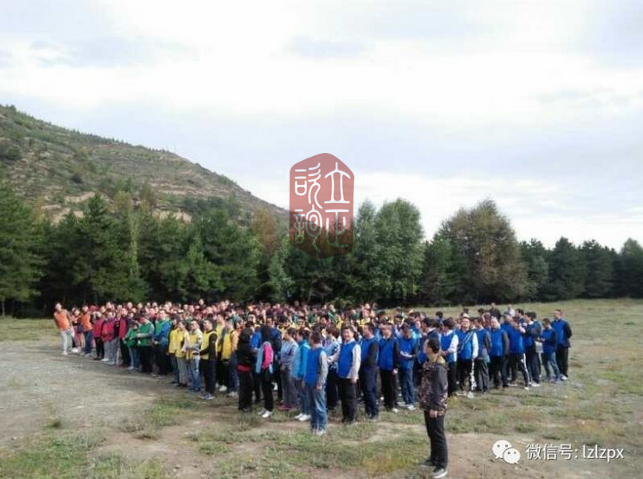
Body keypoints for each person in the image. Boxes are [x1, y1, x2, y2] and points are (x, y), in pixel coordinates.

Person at [419, 337, 449, 479]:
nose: (423, 347)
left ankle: (442, 465)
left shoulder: (439, 366)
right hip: (428, 403)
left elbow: (440, 388)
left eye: (425, 345)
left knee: (438, 435)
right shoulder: (430, 362)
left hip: (436, 406)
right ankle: (433, 458)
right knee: (431, 433)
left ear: (430, 348)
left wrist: (435, 407)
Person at [333, 326, 361, 424]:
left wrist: (354, 375)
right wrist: (328, 359)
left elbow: (356, 362)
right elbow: (337, 356)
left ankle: (353, 418)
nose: (346, 335)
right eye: (344, 332)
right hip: (341, 374)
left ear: (353, 333)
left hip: (349, 375)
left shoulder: (355, 346)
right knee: (343, 397)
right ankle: (346, 416)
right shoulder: (342, 345)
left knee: (350, 397)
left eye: (348, 332)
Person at [305, 331, 329, 435]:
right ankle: (314, 425)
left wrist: (320, 383)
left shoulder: (321, 352)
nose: (308, 339)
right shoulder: (310, 350)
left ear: (313, 339)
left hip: (316, 382)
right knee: (312, 405)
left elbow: (324, 369)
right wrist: (305, 379)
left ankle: (322, 427)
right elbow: (308, 366)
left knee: (320, 406)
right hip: (309, 381)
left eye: (309, 338)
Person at [359, 323, 380, 420]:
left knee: (369, 390)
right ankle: (368, 410)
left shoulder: (374, 342)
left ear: (370, 331)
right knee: (364, 390)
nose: (363, 330)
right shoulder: (362, 340)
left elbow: (371, 358)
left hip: (369, 369)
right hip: (362, 369)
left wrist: (360, 362)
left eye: (365, 329)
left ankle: (375, 412)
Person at [455, 317, 478, 396]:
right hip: (459, 356)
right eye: (463, 321)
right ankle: (461, 388)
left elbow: (475, 345)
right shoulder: (457, 333)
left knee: (470, 373)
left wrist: (474, 354)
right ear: (461, 323)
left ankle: (471, 388)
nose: (465, 323)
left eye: (467, 321)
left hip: (469, 357)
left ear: (469, 323)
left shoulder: (472, 333)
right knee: (460, 373)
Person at [279, 327, 299, 412]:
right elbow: (282, 354)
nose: (285, 334)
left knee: (291, 386)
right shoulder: (285, 343)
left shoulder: (294, 345)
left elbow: (292, 358)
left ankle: (294, 405)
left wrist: (285, 365)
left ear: (291, 335)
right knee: (285, 386)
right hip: (283, 367)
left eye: (286, 333)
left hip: (290, 368)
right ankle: (286, 404)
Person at [256, 325, 275, 419]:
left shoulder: (267, 344)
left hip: (266, 370)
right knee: (264, 389)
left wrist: (263, 368)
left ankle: (269, 409)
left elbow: (267, 359)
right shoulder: (264, 344)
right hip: (263, 369)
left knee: (267, 391)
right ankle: (265, 407)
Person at [292, 328, 311, 422]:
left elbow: (304, 362)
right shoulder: (301, 346)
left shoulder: (305, 347)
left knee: (305, 394)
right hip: (297, 374)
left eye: (297, 335)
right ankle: (303, 411)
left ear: (301, 336)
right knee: (301, 394)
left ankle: (307, 413)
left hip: (302, 375)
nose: (295, 337)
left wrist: (301, 374)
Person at [399, 324, 419, 409]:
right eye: (404, 333)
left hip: (408, 364)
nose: (406, 334)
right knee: (402, 383)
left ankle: (412, 402)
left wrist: (409, 356)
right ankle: (406, 400)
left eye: (407, 332)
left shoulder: (414, 341)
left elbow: (416, 354)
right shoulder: (400, 340)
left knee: (409, 383)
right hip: (400, 364)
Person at [508, 318, 531, 389]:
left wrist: (519, 327)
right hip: (512, 352)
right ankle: (514, 380)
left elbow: (525, 332)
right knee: (513, 367)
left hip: (520, 352)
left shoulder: (521, 329)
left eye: (512, 322)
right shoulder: (510, 330)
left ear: (516, 323)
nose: (511, 323)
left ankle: (527, 382)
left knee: (523, 367)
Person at [236, 328, 255, 412]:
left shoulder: (239, 345)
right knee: (247, 388)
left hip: (240, 368)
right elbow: (252, 357)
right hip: (246, 369)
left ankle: (241, 405)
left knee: (242, 388)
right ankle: (246, 405)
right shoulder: (247, 347)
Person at [488, 317, 509, 389]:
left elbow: (506, 342)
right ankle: (497, 383)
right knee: (495, 370)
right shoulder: (489, 332)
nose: (493, 324)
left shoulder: (502, 331)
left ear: (498, 323)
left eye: (495, 322)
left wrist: (505, 353)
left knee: (503, 369)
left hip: (501, 354)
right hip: (492, 354)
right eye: (492, 322)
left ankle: (505, 383)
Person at [439, 318, 458, 397]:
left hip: (451, 358)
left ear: (447, 327)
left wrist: (446, 352)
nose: (442, 327)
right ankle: (444, 391)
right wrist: (441, 351)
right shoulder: (441, 335)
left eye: (443, 326)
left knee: (451, 376)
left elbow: (453, 347)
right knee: (444, 375)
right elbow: (439, 344)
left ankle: (452, 392)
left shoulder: (454, 335)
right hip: (442, 358)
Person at [199, 318, 218, 400]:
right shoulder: (205, 333)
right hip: (204, 358)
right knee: (206, 376)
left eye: (205, 323)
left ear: (210, 324)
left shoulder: (213, 334)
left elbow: (211, 348)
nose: (204, 325)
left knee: (211, 376)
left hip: (210, 358)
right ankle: (207, 391)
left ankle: (211, 393)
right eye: (204, 323)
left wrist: (200, 352)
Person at [552, 309, 572, 380]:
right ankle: (560, 372)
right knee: (557, 359)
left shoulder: (564, 323)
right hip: (556, 345)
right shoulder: (552, 323)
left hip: (563, 345)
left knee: (564, 360)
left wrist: (563, 339)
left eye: (556, 314)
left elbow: (569, 333)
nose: (554, 315)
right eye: (554, 314)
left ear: (560, 315)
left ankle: (565, 374)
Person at [538, 318, 561, 382]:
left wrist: (545, 340)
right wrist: (539, 339)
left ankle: (557, 376)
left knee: (553, 364)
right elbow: (541, 337)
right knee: (545, 364)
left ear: (548, 324)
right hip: (543, 350)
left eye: (544, 324)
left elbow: (554, 341)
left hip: (550, 350)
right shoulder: (543, 331)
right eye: (542, 324)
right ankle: (548, 375)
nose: (543, 325)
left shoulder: (553, 331)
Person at [472, 317, 490, 393]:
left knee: (484, 371)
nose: (474, 324)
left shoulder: (485, 332)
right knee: (476, 371)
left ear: (480, 323)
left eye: (475, 322)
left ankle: (486, 387)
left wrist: (485, 352)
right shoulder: (474, 332)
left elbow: (488, 344)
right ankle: (479, 387)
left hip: (482, 354)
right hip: (475, 354)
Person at [524, 312, 542, 387]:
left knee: (534, 363)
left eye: (525, 317)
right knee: (527, 363)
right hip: (526, 346)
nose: (524, 318)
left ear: (530, 318)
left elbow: (533, 332)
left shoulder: (536, 325)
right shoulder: (526, 325)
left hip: (535, 346)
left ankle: (536, 380)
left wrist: (525, 330)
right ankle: (529, 379)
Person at [185, 320, 203, 392]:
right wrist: (187, 346)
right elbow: (187, 342)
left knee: (196, 372)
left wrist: (191, 346)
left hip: (195, 355)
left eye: (193, 324)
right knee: (191, 372)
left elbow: (199, 343)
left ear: (197, 325)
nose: (191, 326)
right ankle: (193, 385)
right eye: (190, 324)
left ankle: (197, 386)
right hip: (189, 354)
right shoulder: (189, 333)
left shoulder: (199, 333)